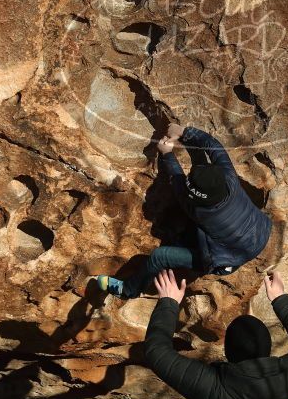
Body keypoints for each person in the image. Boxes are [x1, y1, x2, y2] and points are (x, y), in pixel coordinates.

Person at [97, 123, 273, 298]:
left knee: (160, 256)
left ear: (198, 201)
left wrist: (166, 153)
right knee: (193, 229)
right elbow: (214, 146)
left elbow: (176, 179)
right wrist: (184, 132)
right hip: (261, 233)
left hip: (226, 259)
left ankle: (129, 290)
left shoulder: (201, 212)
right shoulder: (229, 178)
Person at [145, 269, 288, 399]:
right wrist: (281, 299)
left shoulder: (212, 386)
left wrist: (168, 303)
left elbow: (157, 353)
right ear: (268, 349)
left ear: (227, 352)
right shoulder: (287, 377)